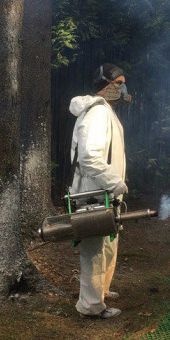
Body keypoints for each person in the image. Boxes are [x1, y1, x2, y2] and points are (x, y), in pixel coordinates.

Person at [69, 63, 131, 319]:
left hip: (103, 190)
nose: (124, 89)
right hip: (93, 191)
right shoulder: (97, 113)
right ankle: (91, 306)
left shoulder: (105, 110)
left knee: (107, 243)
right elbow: (90, 157)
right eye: (120, 84)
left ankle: (101, 290)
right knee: (94, 249)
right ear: (107, 86)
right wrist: (114, 182)